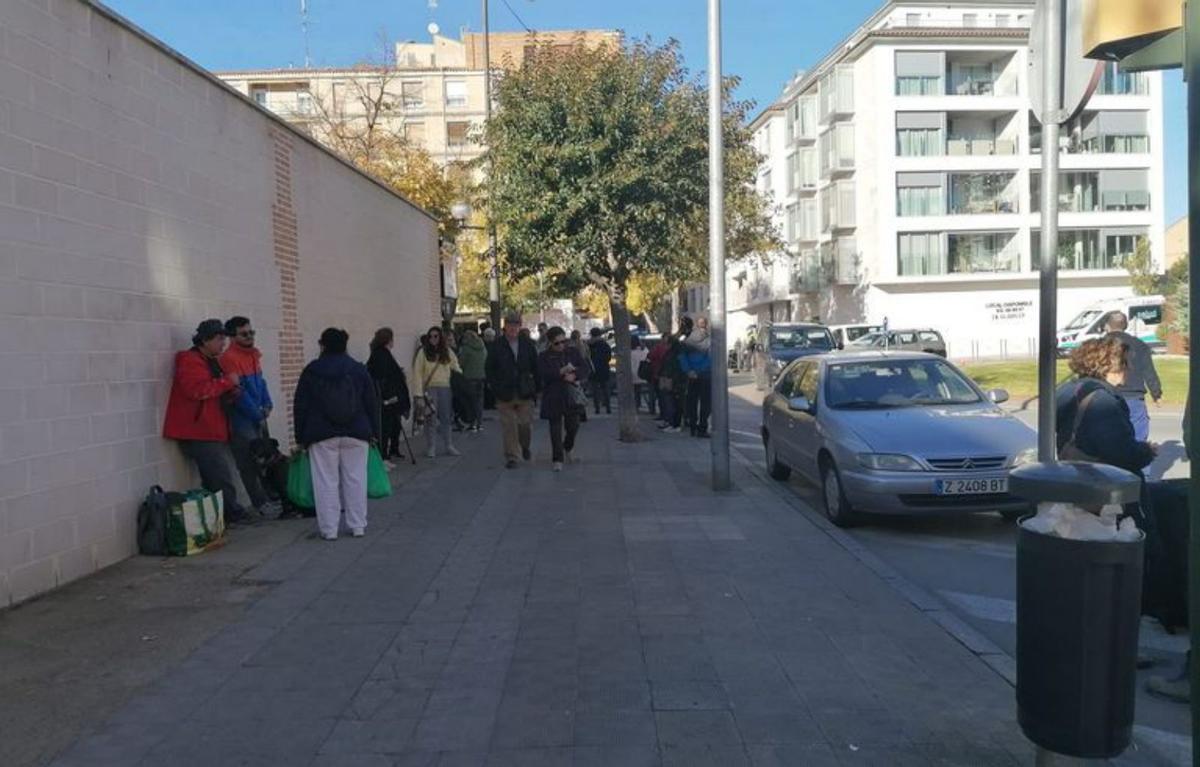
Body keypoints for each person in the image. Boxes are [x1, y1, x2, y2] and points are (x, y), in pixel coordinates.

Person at [163, 320, 253, 526]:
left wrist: (231, 392)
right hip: (198, 430)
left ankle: (218, 516)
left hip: (212, 428)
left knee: (214, 476)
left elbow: (215, 392)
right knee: (219, 475)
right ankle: (232, 513)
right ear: (205, 340)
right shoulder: (190, 360)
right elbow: (197, 390)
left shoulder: (212, 361)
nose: (223, 344)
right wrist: (228, 382)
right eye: (219, 339)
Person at [293, 328, 380, 541]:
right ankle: (357, 525)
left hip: (321, 433)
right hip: (357, 431)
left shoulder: (312, 370)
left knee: (325, 481)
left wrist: (301, 437)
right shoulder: (358, 369)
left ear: (322, 345)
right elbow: (371, 402)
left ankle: (329, 529)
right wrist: (374, 432)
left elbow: (301, 405)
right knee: (356, 478)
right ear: (345, 345)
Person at [1054, 337, 1157, 474]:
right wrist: (1148, 451)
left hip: (1073, 474)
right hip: (1103, 481)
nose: (1130, 368)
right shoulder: (1103, 401)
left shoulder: (1066, 390)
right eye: (1125, 363)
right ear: (1110, 365)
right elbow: (1123, 454)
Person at [219, 316, 275, 516]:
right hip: (242, 419)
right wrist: (257, 412)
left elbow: (262, 382)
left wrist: (268, 403)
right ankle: (260, 504)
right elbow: (238, 391)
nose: (250, 336)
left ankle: (270, 497)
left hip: (258, 415)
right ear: (232, 337)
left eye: (252, 332)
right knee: (248, 462)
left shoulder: (253, 355)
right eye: (244, 334)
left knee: (265, 459)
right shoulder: (228, 358)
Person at [486, 312, 540, 468]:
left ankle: (525, 446)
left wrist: (537, 387)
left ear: (520, 326)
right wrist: (495, 386)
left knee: (524, 424)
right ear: (505, 327)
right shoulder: (497, 345)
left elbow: (535, 367)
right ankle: (512, 457)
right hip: (504, 391)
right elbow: (489, 368)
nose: (513, 328)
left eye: (516, 325)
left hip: (524, 390)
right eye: (510, 325)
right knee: (509, 425)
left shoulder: (528, 344)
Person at [1104, 311, 1163, 442]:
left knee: (1108, 441)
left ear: (1107, 326)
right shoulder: (1139, 345)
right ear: (1125, 325)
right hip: (1134, 396)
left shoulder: (1099, 345)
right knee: (1138, 440)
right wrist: (1156, 393)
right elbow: (1149, 371)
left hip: (1105, 397)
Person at [539, 326, 589, 471]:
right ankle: (557, 458)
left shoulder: (572, 352)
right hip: (553, 395)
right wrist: (560, 372)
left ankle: (568, 446)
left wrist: (575, 375)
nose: (561, 345)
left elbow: (585, 367)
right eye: (557, 343)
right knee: (555, 428)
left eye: (563, 341)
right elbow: (543, 374)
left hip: (571, 394)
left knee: (573, 426)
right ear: (550, 343)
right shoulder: (544, 356)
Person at [411, 326, 462, 458]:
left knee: (446, 418)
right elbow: (417, 373)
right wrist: (418, 394)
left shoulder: (447, 351)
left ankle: (448, 445)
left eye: (436, 336)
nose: (433, 339)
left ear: (440, 337)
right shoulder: (423, 352)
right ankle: (431, 447)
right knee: (430, 419)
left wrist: (461, 376)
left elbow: (455, 365)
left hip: (445, 387)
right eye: (431, 336)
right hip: (429, 389)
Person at [367, 328, 411, 466]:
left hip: (391, 397)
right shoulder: (381, 355)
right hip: (388, 398)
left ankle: (391, 451)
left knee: (392, 426)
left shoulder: (381, 354)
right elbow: (382, 376)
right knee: (385, 428)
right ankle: (383, 457)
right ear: (388, 340)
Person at [680, 317, 713, 438]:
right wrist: (700, 370)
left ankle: (692, 426)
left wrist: (689, 371)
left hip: (692, 376)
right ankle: (702, 428)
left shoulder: (688, 341)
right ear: (706, 325)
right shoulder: (709, 341)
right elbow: (711, 359)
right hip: (705, 376)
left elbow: (682, 357)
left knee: (692, 401)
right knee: (706, 403)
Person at [458, 328, 488, 432]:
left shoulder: (466, 349)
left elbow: (461, 363)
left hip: (469, 378)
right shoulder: (483, 347)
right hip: (481, 377)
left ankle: (472, 423)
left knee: (470, 402)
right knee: (479, 401)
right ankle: (480, 423)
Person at [587, 327, 613, 415]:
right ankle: (608, 407)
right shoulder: (604, 344)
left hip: (593, 369)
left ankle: (597, 408)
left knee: (595, 390)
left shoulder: (589, 345)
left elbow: (586, 357)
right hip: (604, 368)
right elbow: (608, 357)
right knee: (605, 389)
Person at [630, 336, 651, 414]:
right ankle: (644, 405)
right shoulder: (645, 351)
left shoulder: (630, 353)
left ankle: (636, 405)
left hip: (633, 374)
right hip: (643, 374)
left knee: (635, 391)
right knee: (643, 391)